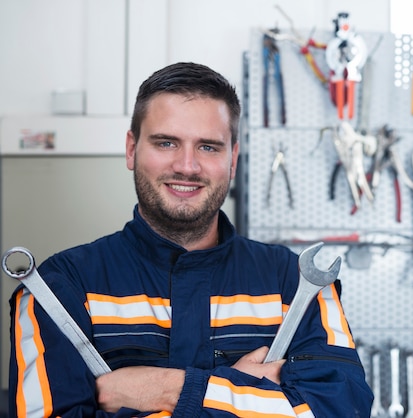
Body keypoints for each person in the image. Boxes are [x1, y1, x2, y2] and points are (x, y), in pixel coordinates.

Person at [9, 62, 373, 417]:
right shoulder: (57, 288)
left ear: (233, 160)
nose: (187, 166)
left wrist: (163, 389)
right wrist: (238, 387)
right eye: (166, 143)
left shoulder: (294, 283)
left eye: (209, 147)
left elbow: (340, 408)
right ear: (132, 150)